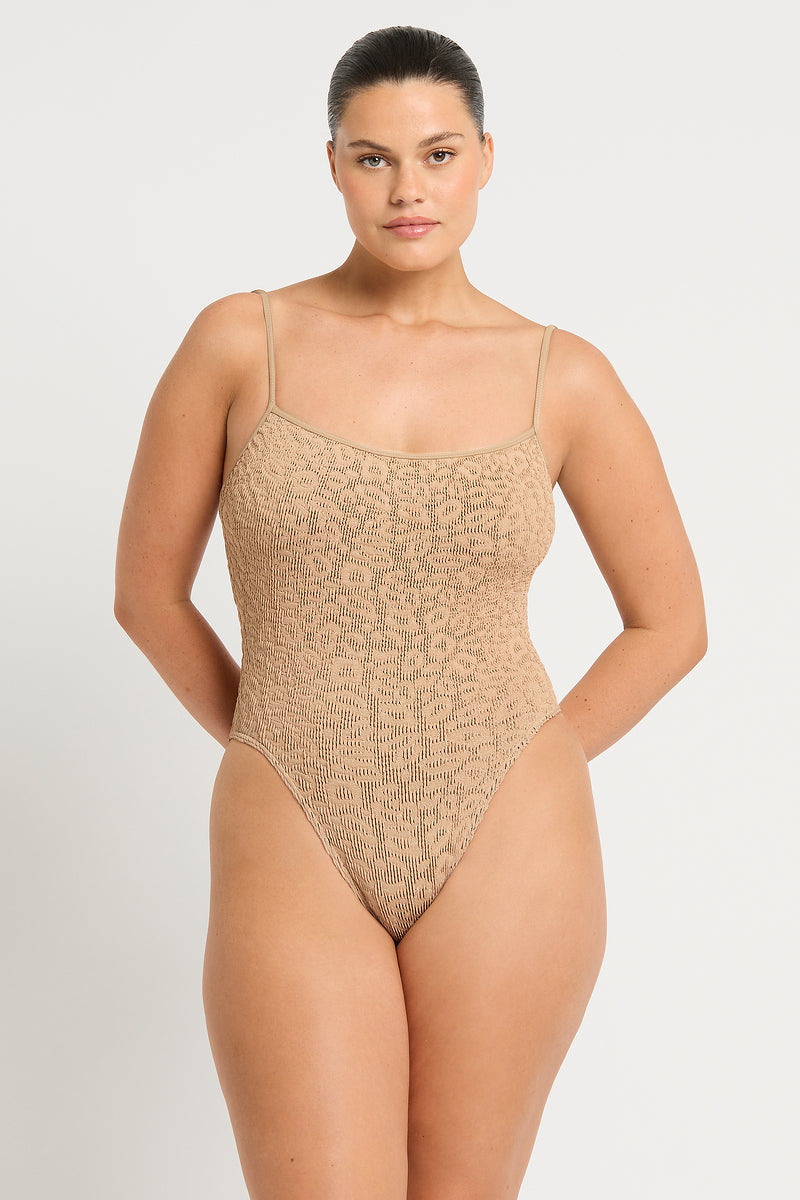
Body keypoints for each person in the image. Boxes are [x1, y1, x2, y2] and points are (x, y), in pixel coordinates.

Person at [114, 24, 707, 1200]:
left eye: (436, 155)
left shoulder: (561, 374)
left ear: (484, 158)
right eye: (372, 158)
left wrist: (530, 759)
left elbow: (669, 623)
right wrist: (274, 736)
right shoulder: (240, 343)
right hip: (290, 813)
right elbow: (147, 595)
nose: (407, 190)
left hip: (510, 833)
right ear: (332, 165)